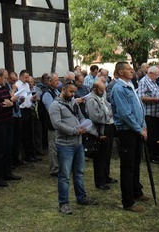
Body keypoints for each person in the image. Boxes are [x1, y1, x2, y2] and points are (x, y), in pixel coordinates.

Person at [49, 79, 97, 215]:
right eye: (70, 91)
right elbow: (57, 124)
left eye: (74, 92)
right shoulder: (55, 105)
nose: (73, 94)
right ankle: (63, 203)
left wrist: (84, 125)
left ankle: (81, 197)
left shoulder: (73, 102)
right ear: (63, 89)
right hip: (65, 145)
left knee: (79, 173)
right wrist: (75, 131)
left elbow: (80, 116)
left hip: (78, 143)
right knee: (64, 176)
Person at [110, 61, 149, 213]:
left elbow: (139, 107)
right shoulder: (119, 88)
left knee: (136, 162)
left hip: (137, 129)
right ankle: (128, 201)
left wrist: (143, 125)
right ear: (120, 72)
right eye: (127, 69)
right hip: (127, 131)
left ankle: (136, 191)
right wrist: (139, 129)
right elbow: (125, 113)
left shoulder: (130, 85)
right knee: (128, 166)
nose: (131, 70)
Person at [0, 68, 21, 187]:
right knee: (0, 150)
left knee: (8, 147)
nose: (6, 80)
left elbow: (8, 102)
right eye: (5, 78)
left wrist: (10, 102)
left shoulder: (4, 87)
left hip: (8, 120)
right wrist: (10, 101)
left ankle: (8, 172)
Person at [85, 80, 117, 190]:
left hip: (108, 127)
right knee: (100, 156)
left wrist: (108, 112)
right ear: (94, 89)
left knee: (107, 154)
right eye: (101, 90)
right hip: (99, 130)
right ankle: (100, 180)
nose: (103, 92)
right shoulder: (91, 100)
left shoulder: (102, 96)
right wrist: (108, 114)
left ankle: (106, 176)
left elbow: (109, 107)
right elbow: (96, 117)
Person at [137, 66, 159, 164]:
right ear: (150, 73)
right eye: (156, 75)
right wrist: (156, 99)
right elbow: (141, 97)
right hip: (150, 114)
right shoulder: (143, 82)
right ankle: (151, 156)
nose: (157, 77)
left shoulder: (155, 82)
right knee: (152, 136)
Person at [41, 73, 60, 177]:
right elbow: (51, 109)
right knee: (53, 147)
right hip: (52, 124)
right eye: (56, 80)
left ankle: (60, 166)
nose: (58, 82)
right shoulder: (47, 94)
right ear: (50, 82)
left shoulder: (56, 91)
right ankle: (54, 169)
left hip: (59, 123)